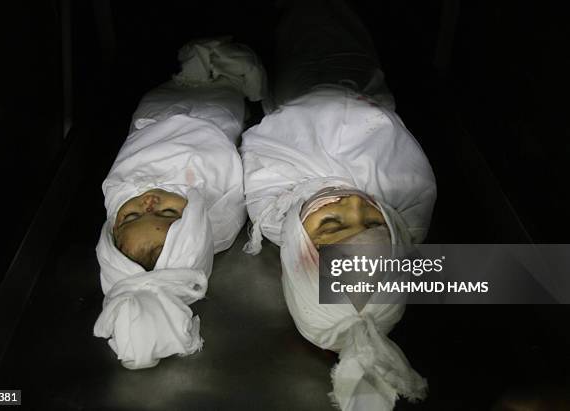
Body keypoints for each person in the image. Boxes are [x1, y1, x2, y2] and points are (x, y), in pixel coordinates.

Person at [241, 0, 436, 409]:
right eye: (373, 220)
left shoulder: (273, 203)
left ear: (297, 245)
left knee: (301, 33)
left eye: (331, 223)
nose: (353, 202)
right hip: (363, 79)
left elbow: (268, 143)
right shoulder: (408, 194)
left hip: (298, 84)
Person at [93, 37, 266, 370]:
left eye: (129, 215)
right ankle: (223, 69)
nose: (149, 200)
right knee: (224, 95)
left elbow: (127, 168)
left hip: (156, 113)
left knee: (172, 89)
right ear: (197, 225)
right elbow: (228, 167)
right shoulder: (217, 217)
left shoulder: (119, 190)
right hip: (215, 116)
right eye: (168, 212)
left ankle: (204, 63)